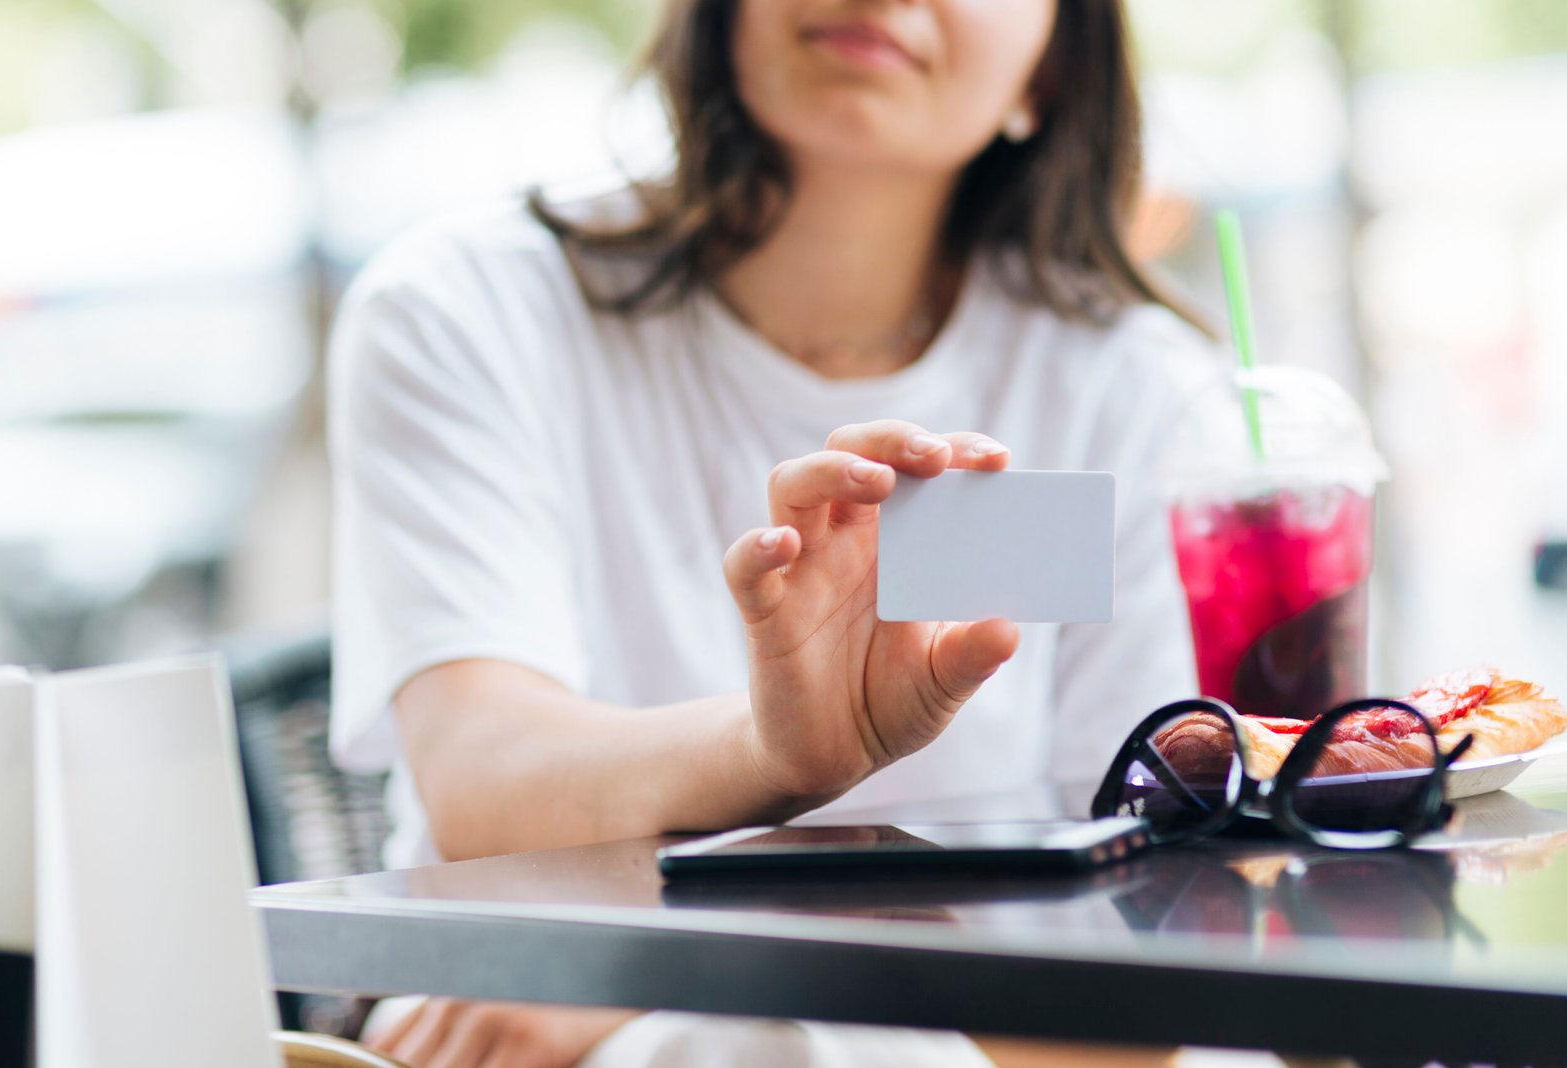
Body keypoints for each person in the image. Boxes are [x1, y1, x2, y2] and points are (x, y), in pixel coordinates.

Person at [328, 0, 1218, 1064]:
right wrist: (771, 752)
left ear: (1051, 70)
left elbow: (1150, 974)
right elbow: (482, 784)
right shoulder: (467, 311)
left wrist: (675, 965)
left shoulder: (1136, 393)